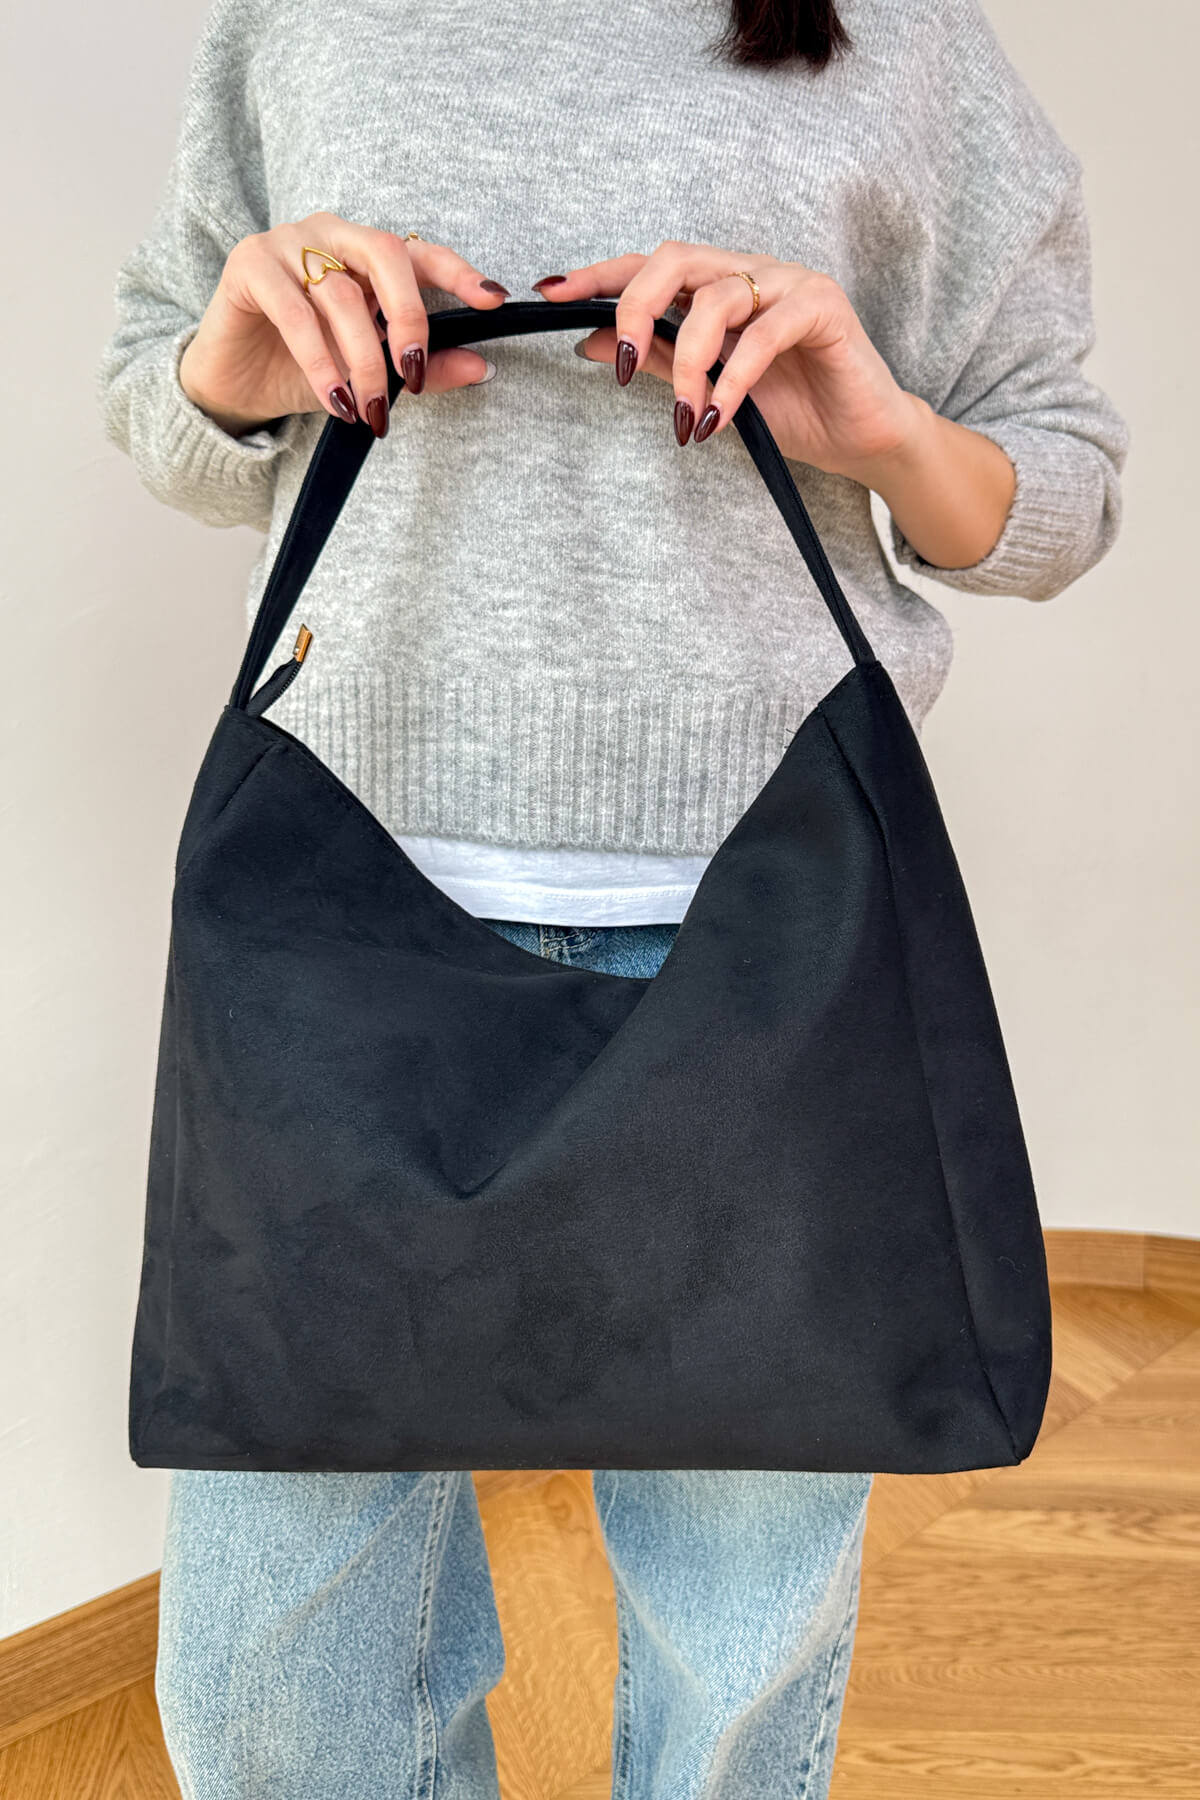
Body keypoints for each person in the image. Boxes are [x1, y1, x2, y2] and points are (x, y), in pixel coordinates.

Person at [95, 0, 1127, 1793]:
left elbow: (1059, 490)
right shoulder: (298, 17)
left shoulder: (905, 44)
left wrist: (879, 425)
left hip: (773, 935)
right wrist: (234, 366)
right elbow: (155, 397)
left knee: (733, 1680)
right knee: (272, 1702)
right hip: (338, 921)